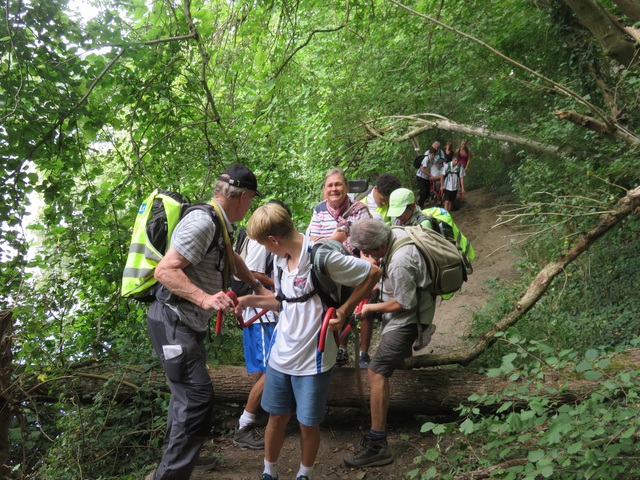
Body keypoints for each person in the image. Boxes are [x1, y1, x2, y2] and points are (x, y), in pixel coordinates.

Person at [236, 202, 381, 480]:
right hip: (281, 357)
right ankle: (270, 472)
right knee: (276, 418)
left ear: (274, 239)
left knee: (306, 424)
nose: (267, 250)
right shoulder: (281, 260)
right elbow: (284, 301)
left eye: (265, 245)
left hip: (313, 360)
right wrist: (248, 300)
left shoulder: (322, 257)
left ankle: (304, 474)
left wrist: (344, 309)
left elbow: (372, 273)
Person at [145, 164, 269, 480]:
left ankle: (177, 461)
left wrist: (255, 285)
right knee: (197, 398)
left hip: (182, 324)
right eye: (252, 199)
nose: (250, 205)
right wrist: (205, 299)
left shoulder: (219, 222)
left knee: (185, 396)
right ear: (242, 197)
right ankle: (171, 474)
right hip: (173, 321)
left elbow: (232, 257)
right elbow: (165, 271)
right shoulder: (203, 222)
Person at [344, 219, 436, 469]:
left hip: (408, 319)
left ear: (382, 244)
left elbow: (406, 304)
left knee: (376, 371)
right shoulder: (393, 233)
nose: (370, 256)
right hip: (402, 314)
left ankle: (378, 443)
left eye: (371, 251)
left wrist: (371, 307)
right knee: (396, 364)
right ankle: (402, 410)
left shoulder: (400, 261)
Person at [233, 200, 292, 451]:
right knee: (271, 371)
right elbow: (251, 274)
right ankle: (244, 425)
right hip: (262, 314)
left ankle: (275, 415)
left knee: (272, 370)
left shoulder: (264, 239)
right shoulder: (260, 241)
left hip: (264, 312)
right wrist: (282, 287)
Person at [308, 168, 373, 367]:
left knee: (360, 304)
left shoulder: (359, 210)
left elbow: (365, 240)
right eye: (330, 185)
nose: (334, 189)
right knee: (331, 305)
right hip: (327, 266)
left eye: (338, 184)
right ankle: (338, 349)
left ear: (346, 187)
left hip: (352, 263)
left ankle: (363, 352)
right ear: (324, 189)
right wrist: (334, 240)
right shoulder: (319, 210)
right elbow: (311, 240)